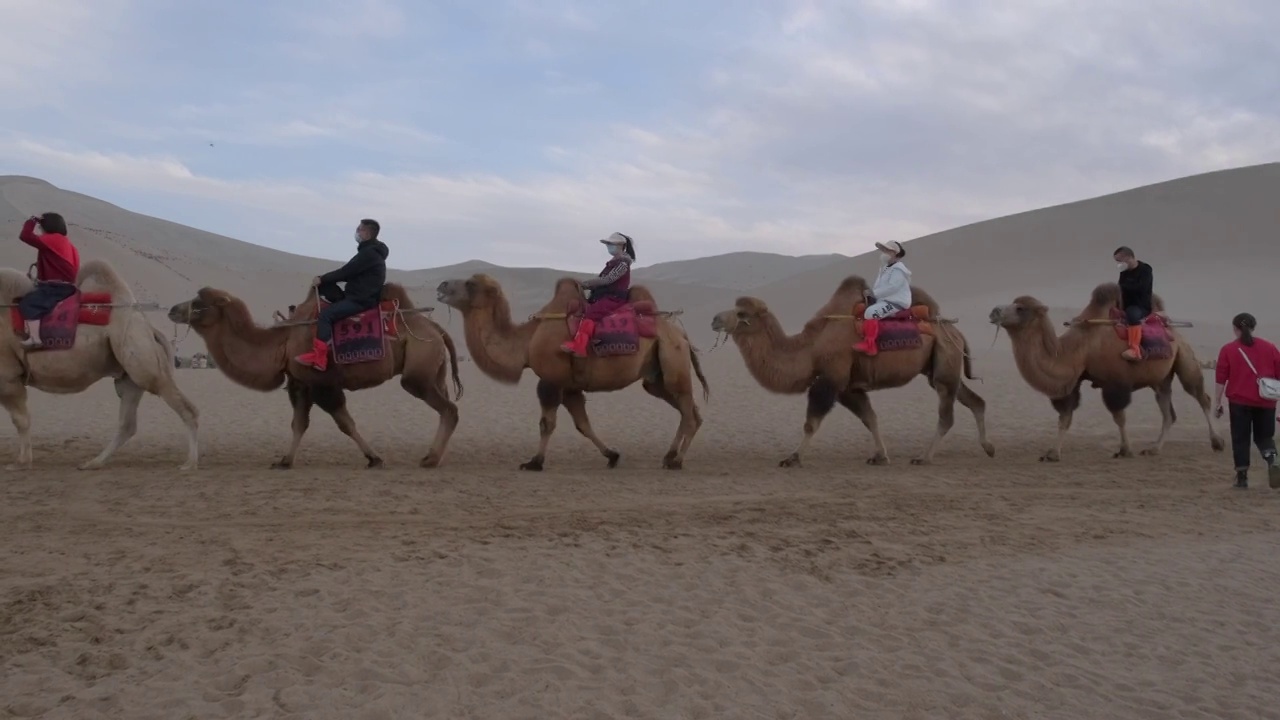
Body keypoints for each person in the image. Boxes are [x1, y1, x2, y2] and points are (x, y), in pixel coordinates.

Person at [294, 219, 388, 371]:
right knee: (325, 286)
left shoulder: (369, 254)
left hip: (361, 300)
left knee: (325, 315)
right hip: (356, 295)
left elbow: (346, 272)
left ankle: (320, 358)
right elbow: (348, 272)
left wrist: (322, 278)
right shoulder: (369, 251)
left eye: (360, 229)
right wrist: (324, 280)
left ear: (367, 234)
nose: (357, 232)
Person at [1212, 312, 1280, 490]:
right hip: (1266, 401)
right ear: (1253, 327)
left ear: (1235, 329)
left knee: (1240, 439)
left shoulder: (1228, 349)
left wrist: (1217, 402)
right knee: (1265, 437)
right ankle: (1272, 460)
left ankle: (1242, 477)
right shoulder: (1270, 347)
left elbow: (1221, 378)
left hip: (1239, 402)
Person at [560, 232, 636, 357]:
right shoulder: (614, 262)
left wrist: (587, 284)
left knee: (591, 313)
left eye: (612, 244)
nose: (609, 247)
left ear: (621, 245)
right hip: (605, 296)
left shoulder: (622, 264)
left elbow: (608, 280)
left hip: (614, 298)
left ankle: (580, 346)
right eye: (608, 244)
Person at [16, 213, 80, 350]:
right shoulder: (68, 244)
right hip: (67, 286)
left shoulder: (54, 239)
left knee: (28, 304)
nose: (40, 230)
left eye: (41, 227)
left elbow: (25, 236)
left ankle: (35, 338)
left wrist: (32, 220)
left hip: (56, 287)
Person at [853, 240, 912, 357]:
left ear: (895, 253)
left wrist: (873, 293)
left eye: (887, 251)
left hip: (896, 302)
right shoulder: (885, 268)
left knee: (870, 313)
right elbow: (879, 286)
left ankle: (870, 345)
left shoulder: (899, 270)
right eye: (884, 250)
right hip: (884, 300)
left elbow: (892, 288)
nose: (884, 253)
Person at [1114, 246, 1153, 361]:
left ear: (1129, 257)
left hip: (1140, 306)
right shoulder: (1124, 273)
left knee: (1132, 314)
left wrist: (1123, 287)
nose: (1118, 264)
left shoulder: (1145, 270)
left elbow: (1141, 288)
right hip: (1125, 305)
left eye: (1119, 260)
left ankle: (1135, 350)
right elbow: (1120, 289)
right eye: (1117, 261)